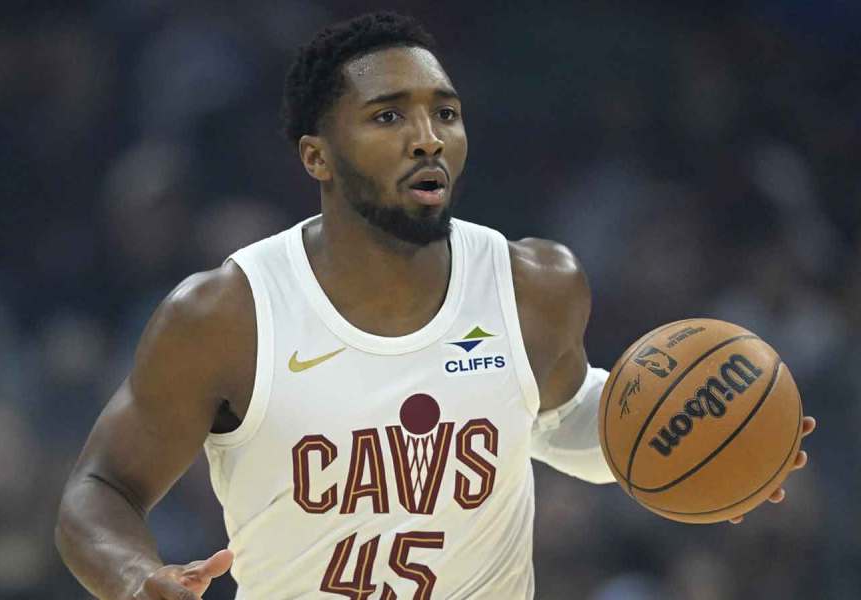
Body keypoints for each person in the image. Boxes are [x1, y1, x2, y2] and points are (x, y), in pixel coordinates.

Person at [55, 12, 816, 600]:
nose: (427, 137)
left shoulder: (535, 284)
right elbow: (99, 490)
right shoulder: (227, 314)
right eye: (389, 116)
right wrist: (130, 576)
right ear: (316, 155)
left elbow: (558, 420)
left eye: (444, 113)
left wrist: (715, 446)